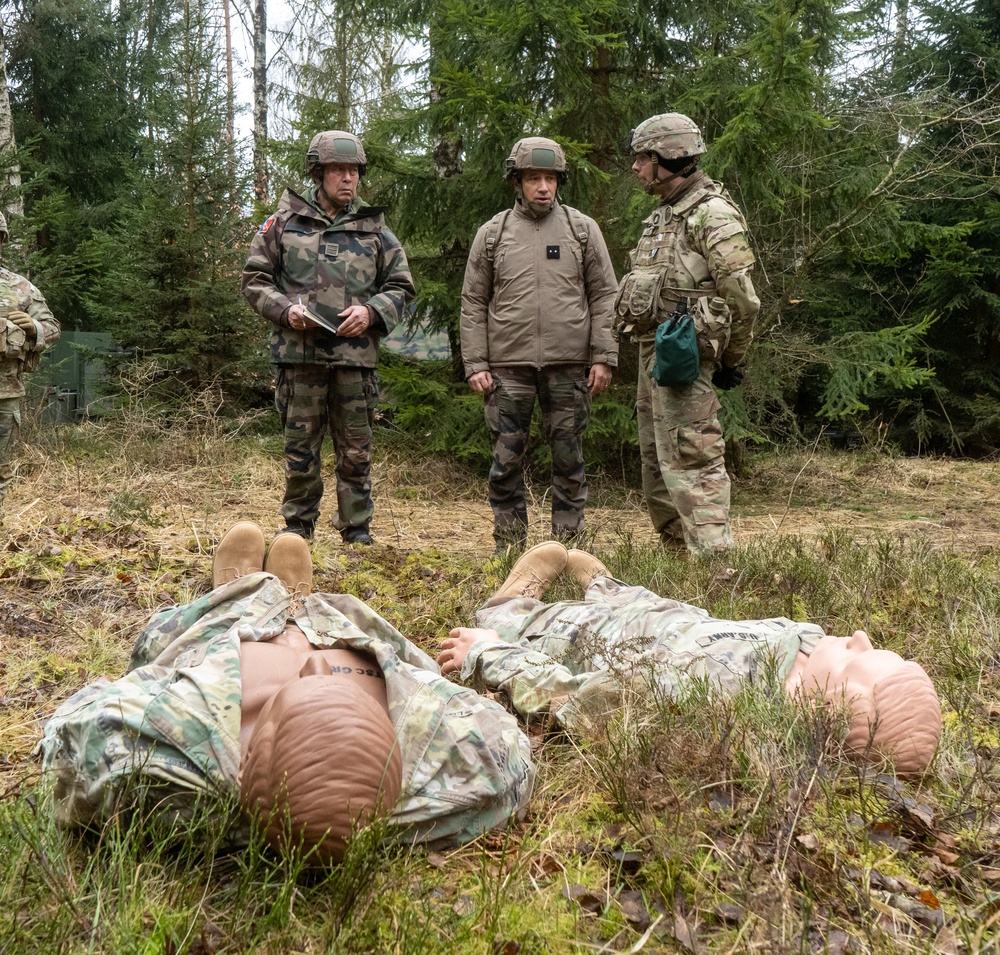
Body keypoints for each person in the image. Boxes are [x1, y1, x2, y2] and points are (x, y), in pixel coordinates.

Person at [39, 523, 534, 864]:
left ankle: (241, 592)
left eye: (279, 707)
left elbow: (73, 728)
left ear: (245, 761)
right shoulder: (469, 757)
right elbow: (508, 760)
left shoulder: (144, 748)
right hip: (338, 628)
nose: (317, 666)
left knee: (205, 629)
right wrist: (370, 813)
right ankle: (301, 600)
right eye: (342, 688)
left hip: (234, 638)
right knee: (341, 631)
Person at [438, 542, 942, 776]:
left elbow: (578, 697)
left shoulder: (714, 703)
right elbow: (699, 624)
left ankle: (511, 609)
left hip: (602, 642)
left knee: (559, 627)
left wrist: (491, 653)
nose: (858, 636)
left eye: (857, 660)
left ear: (817, 707)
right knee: (676, 613)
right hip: (671, 621)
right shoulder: (808, 643)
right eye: (874, 647)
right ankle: (608, 589)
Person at [242, 131, 416, 545]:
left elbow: (402, 286)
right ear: (318, 173)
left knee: (356, 451)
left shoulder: (376, 230)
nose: (348, 179)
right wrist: (286, 311)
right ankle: (297, 529)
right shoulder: (284, 223)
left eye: (354, 170)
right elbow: (254, 278)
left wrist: (372, 311)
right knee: (300, 451)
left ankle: (356, 531)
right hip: (299, 358)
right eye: (338, 170)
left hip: (355, 362)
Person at [460, 137, 619, 553]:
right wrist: (476, 363)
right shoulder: (492, 234)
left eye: (550, 178)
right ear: (517, 181)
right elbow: (473, 301)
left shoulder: (582, 230)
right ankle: (509, 549)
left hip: (570, 366)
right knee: (505, 462)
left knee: (569, 460)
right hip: (507, 369)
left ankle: (568, 549)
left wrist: (604, 357)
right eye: (534, 178)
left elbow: (605, 295)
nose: (543, 187)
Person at [616, 113, 760, 555]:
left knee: (692, 459)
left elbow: (743, 300)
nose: (637, 168)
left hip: (686, 359)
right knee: (657, 463)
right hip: (653, 357)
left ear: (668, 158)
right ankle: (679, 561)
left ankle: (716, 567)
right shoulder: (664, 216)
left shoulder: (712, 215)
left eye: (643, 159)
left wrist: (731, 361)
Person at [0, 212, 60, 525]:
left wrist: (34, 327)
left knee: (3, 472)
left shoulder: (20, 287)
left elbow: (53, 327)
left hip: (4, 395)